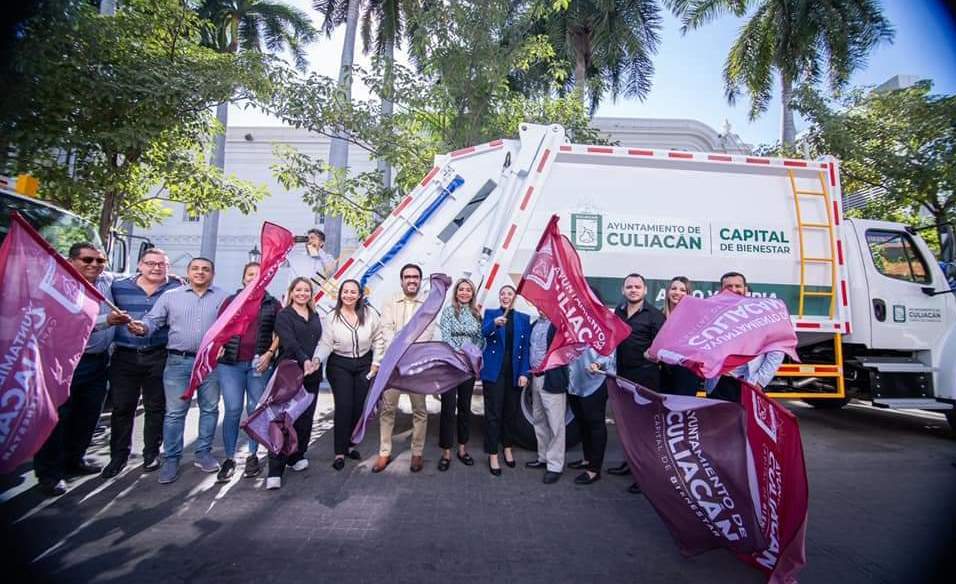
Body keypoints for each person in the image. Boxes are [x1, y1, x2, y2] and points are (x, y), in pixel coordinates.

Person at [34, 243, 129, 496]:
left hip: (98, 362)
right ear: (71, 260)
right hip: (64, 362)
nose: (94, 265)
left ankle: (74, 459)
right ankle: (50, 474)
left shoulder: (107, 281)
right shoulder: (59, 286)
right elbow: (69, 321)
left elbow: (132, 277)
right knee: (57, 418)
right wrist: (106, 321)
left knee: (88, 415)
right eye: (87, 260)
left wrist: (169, 276)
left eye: (100, 261)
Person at [129, 257, 228, 485]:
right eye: (195, 268)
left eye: (205, 269)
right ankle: (171, 458)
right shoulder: (171, 296)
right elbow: (153, 320)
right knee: (175, 413)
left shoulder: (223, 297)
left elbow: (233, 325)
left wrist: (227, 345)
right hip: (178, 362)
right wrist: (142, 327)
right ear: (188, 272)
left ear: (212, 274)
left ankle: (203, 453)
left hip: (209, 364)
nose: (200, 272)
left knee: (210, 409)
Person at [101, 248, 181, 479]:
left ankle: (151, 454)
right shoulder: (119, 286)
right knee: (122, 408)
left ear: (168, 267)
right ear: (139, 265)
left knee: (156, 407)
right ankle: (118, 457)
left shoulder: (176, 288)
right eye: (150, 263)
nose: (156, 268)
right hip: (125, 356)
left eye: (161, 264)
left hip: (159, 354)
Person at [215, 262, 281, 482]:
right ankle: (229, 458)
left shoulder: (272, 303)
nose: (254, 278)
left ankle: (252, 455)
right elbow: (219, 328)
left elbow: (279, 332)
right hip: (230, 364)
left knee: (255, 410)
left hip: (258, 364)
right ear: (243, 279)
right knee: (233, 410)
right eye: (250, 274)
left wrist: (269, 354)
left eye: (259, 275)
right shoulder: (231, 302)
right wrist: (219, 345)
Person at [314, 279, 384, 471]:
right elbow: (326, 343)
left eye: (353, 292)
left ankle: (351, 445)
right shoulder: (332, 317)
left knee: (358, 407)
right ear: (340, 294)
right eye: (345, 291)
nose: (349, 295)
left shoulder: (370, 314)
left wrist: (376, 363)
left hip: (365, 364)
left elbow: (379, 338)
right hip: (339, 365)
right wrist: (317, 359)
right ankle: (339, 452)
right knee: (344, 406)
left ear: (360, 295)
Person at [373, 264, 436, 474]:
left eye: (416, 277)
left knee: (420, 410)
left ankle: (417, 453)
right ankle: (384, 452)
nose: (412, 280)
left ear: (420, 280)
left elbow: (427, 332)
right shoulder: (390, 301)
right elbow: (386, 329)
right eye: (407, 276)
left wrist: (407, 345)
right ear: (401, 280)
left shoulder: (427, 304)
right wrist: (400, 348)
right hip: (393, 365)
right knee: (388, 409)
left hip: (416, 366)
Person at [607, 273, 664, 493]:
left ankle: (645, 477)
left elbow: (661, 347)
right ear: (623, 290)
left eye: (637, 287)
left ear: (645, 290)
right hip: (622, 378)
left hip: (645, 379)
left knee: (645, 429)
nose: (633, 290)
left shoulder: (655, 316)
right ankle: (630, 464)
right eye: (629, 286)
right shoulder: (619, 312)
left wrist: (655, 354)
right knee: (628, 426)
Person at [267, 277, 324, 490]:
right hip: (290, 372)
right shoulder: (284, 315)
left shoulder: (315, 315)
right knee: (284, 419)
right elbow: (289, 342)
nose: (302, 293)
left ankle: (296, 456)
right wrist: (305, 360)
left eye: (306, 290)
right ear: (291, 292)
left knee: (305, 418)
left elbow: (321, 341)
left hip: (312, 374)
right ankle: (275, 469)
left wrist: (316, 360)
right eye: (298, 290)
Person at [705, 272, 785, 402]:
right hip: (719, 383)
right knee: (719, 421)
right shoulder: (712, 315)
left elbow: (776, 350)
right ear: (721, 290)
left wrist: (759, 382)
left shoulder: (761, 314)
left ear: (745, 289)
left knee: (745, 422)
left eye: (738, 286)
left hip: (748, 382)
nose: (734, 290)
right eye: (729, 286)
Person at [480, 285, 531, 476]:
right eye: (503, 294)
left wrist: (525, 372)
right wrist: (494, 324)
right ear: (499, 297)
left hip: (515, 371)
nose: (506, 296)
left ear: (514, 298)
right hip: (494, 370)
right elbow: (482, 334)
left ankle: (507, 447)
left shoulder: (523, 319)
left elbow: (526, 347)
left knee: (510, 412)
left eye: (509, 294)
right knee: (493, 413)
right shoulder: (491, 313)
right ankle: (492, 453)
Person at [436, 278, 483, 471]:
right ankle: (446, 452)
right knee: (448, 408)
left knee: (465, 407)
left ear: (472, 294)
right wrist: (462, 350)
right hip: (451, 364)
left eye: (468, 290)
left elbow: (480, 338)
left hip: (468, 367)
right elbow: (446, 337)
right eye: (461, 289)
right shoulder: (448, 312)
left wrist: (473, 352)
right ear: (456, 293)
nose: (464, 293)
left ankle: (462, 449)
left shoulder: (476, 314)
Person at [524, 314, 569, 484]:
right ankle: (543, 458)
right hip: (535, 377)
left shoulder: (559, 324)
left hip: (552, 378)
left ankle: (555, 466)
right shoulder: (535, 323)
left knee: (556, 424)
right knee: (539, 419)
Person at [568, 349, 614, 485]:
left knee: (595, 423)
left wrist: (598, 363)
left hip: (595, 380)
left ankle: (594, 469)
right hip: (575, 379)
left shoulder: (605, 327)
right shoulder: (572, 326)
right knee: (582, 420)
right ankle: (587, 459)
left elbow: (611, 348)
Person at [660, 276, 701, 397]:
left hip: (686, 373)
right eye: (673, 288)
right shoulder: (658, 316)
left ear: (689, 294)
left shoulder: (696, 318)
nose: (677, 292)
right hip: (662, 372)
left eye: (683, 290)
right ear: (668, 292)